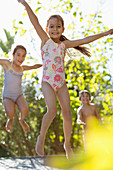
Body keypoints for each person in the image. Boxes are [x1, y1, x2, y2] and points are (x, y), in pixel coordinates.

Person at [17, 0, 113, 158]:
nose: (55, 29)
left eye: (58, 26)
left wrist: (104, 33)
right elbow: (34, 20)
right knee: (52, 110)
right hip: (48, 82)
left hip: (61, 83)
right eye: (52, 26)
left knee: (67, 113)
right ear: (47, 29)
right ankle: (41, 138)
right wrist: (25, 4)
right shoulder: (45, 40)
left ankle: (67, 145)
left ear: (63, 29)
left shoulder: (64, 45)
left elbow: (85, 40)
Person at [0, 45, 42, 133]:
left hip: (19, 95)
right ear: (13, 55)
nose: (21, 58)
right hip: (7, 96)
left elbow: (33, 66)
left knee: (25, 110)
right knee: (10, 113)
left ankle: (22, 121)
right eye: (18, 55)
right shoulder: (7, 64)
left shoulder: (22, 68)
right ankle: (11, 119)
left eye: (23, 56)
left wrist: (45, 64)